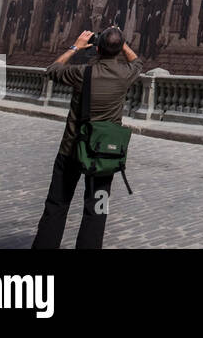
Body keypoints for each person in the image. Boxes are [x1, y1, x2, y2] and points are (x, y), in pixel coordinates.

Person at [32, 26, 143, 249]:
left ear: (98, 48)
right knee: (97, 210)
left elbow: (52, 69)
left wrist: (76, 46)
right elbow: (138, 62)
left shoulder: (82, 73)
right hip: (104, 155)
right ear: (119, 48)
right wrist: (120, 42)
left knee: (57, 205)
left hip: (72, 149)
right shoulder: (125, 74)